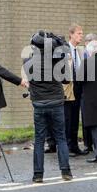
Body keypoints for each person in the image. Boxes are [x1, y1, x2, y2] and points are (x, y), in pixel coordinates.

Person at [24, 30, 73, 182]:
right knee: (61, 138)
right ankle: (66, 172)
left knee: (39, 139)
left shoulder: (28, 62)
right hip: (56, 102)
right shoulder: (58, 60)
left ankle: (38, 174)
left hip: (39, 104)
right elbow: (66, 80)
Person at [64, 24, 88, 157]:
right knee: (67, 118)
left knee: (75, 118)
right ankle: (67, 146)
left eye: (81, 33)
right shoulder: (65, 50)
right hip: (68, 88)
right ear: (71, 35)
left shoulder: (79, 51)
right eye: (79, 33)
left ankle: (74, 145)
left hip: (78, 87)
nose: (81, 36)